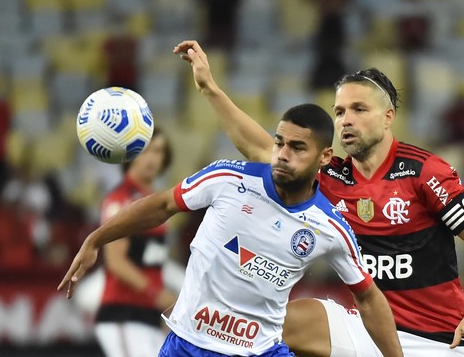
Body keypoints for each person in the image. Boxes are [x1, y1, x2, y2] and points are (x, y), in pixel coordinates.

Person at [174, 40, 464, 357]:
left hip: (436, 338)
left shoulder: (424, 171)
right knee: (267, 327)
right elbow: (263, 148)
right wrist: (209, 89)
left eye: (359, 109)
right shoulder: (330, 175)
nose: (346, 119)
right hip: (366, 328)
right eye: (340, 111)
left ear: (388, 117)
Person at [58, 104, 403, 357]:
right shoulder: (229, 178)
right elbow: (163, 205)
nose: (283, 154)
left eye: (297, 148)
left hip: (262, 351)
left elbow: (369, 297)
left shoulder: (331, 228)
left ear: (325, 157)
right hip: (189, 346)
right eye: (279, 142)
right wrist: (96, 239)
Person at [92, 128, 177, 357]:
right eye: (145, 151)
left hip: (148, 317)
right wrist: (158, 295)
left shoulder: (155, 201)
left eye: (158, 151)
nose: (152, 158)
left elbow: (151, 264)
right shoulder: (120, 201)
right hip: (123, 314)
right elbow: (116, 262)